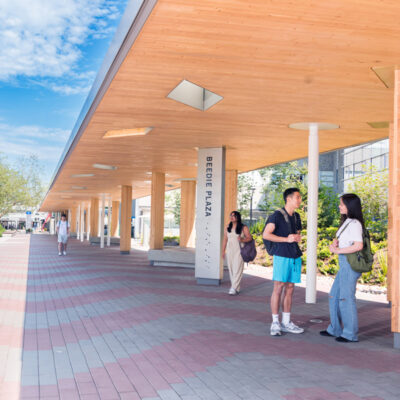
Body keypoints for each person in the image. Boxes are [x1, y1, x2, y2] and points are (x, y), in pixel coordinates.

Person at [320, 193, 364, 343]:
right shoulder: (347, 222)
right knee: (334, 296)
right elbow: (344, 241)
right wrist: (335, 245)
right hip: (344, 263)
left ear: (350, 206)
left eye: (342, 204)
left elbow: (358, 245)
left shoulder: (355, 224)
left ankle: (350, 334)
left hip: (349, 264)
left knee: (346, 298)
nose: (339, 206)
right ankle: (335, 329)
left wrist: (338, 251)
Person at [262, 188, 304, 336]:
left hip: (294, 255)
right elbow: (266, 234)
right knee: (278, 287)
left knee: (290, 288)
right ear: (288, 198)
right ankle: (275, 322)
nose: (300, 200)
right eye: (297, 197)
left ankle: (286, 322)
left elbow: (297, 234)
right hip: (281, 255)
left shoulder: (297, 216)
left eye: (300, 197)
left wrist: (296, 238)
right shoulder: (277, 215)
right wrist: (286, 239)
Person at [222, 211, 252, 295]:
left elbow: (249, 238)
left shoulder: (243, 227)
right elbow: (225, 239)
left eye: (234, 216)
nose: (232, 217)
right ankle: (236, 288)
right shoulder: (227, 227)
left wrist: (242, 239)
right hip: (230, 250)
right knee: (231, 268)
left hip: (239, 250)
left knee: (237, 269)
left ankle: (233, 288)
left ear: (238, 217)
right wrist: (223, 251)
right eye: (230, 215)